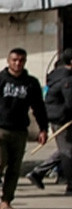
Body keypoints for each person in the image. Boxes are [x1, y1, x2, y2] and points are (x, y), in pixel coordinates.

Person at [0, 47, 49, 209]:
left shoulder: (31, 83)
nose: (17, 63)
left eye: (21, 60)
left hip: (20, 130)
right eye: (14, 60)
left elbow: (39, 108)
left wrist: (43, 129)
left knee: (14, 168)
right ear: (8, 61)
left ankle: (6, 202)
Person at [27, 48, 72, 193]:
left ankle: (38, 172)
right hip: (62, 118)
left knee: (65, 149)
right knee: (68, 151)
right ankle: (70, 183)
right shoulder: (67, 79)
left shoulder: (57, 76)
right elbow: (70, 102)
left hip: (58, 116)